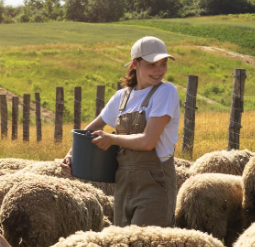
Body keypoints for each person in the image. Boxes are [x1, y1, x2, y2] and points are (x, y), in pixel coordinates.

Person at [61, 36, 180, 227]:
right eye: (151, 64)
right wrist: (70, 155)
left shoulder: (166, 93)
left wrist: (113, 139)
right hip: (123, 181)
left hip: (155, 183)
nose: (159, 70)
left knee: (147, 245)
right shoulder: (122, 97)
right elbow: (93, 127)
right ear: (135, 64)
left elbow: (148, 141)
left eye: (163, 63)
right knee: (123, 246)